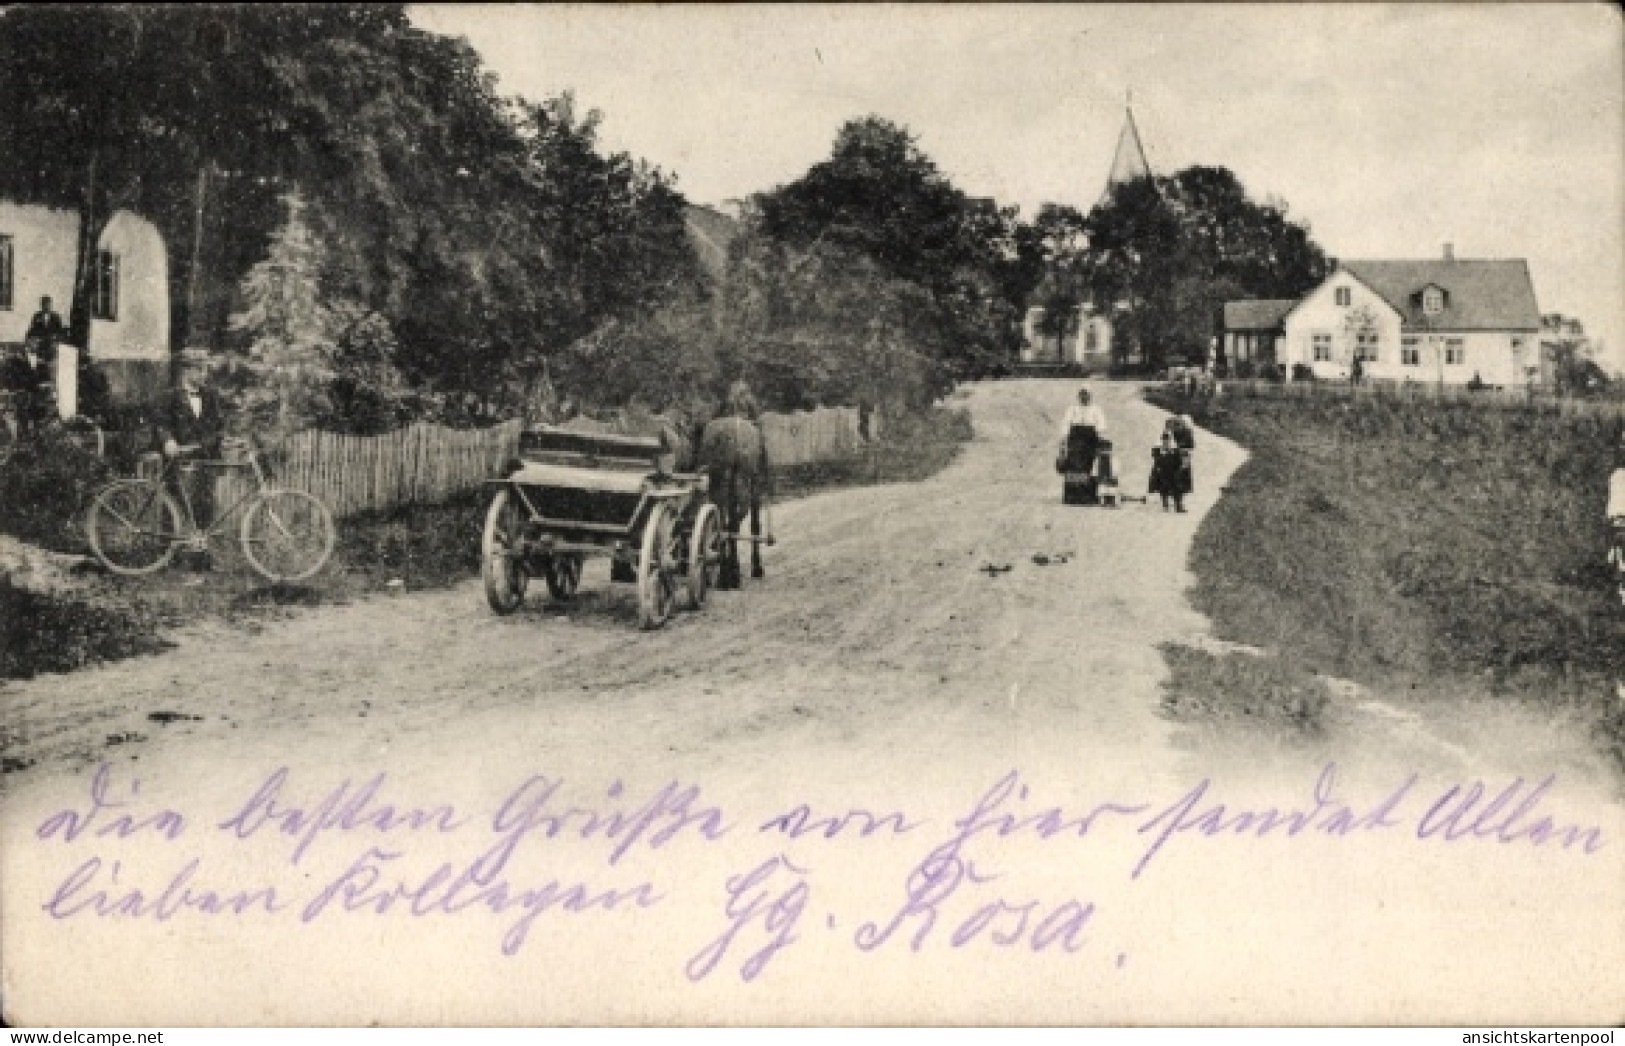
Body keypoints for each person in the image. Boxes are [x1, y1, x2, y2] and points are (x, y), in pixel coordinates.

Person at [157, 350, 227, 538]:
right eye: (200, 369)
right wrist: (168, 441)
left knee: (205, 506)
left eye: (205, 370)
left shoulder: (211, 395)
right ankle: (167, 552)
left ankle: (200, 555)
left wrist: (215, 440)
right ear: (186, 371)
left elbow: (219, 425)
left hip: (206, 459)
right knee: (173, 505)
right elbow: (162, 424)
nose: (204, 374)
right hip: (178, 458)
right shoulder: (169, 396)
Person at [1057, 385, 1108, 473]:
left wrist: (1100, 435)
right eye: (1082, 394)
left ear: (1090, 395)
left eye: (1086, 394)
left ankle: (1101, 473)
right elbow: (1066, 422)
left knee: (1103, 450)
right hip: (1075, 435)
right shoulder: (1072, 409)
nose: (1084, 397)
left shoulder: (1096, 409)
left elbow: (1101, 423)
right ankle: (1067, 468)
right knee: (1066, 451)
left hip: (1090, 435)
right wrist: (1064, 435)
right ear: (1079, 396)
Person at [1149, 431, 1186, 512]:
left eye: (1167, 440)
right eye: (1164, 440)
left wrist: (1178, 471)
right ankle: (1165, 504)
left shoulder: (1175, 451)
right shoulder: (1158, 450)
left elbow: (1179, 462)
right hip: (1162, 472)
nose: (1166, 442)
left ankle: (1178, 505)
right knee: (1163, 487)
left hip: (1173, 472)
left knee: (1177, 488)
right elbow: (1156, 461)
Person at [24, 296, 66, 362]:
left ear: (51, 305)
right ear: (41, 305)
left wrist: (56, 338)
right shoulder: (37, 316)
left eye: (48, 305)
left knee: (51, 356)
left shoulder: (56, 317)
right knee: (37, 357)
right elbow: (32, 330)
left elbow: (60, 331)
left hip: (51, 343)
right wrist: (28, 339)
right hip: (40, 343)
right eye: (44, 305)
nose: (46, 307)